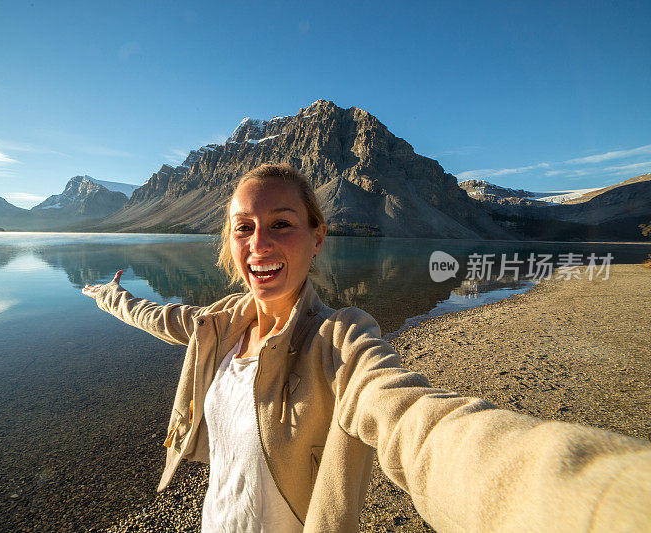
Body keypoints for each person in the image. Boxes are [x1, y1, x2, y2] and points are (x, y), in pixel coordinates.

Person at [82, 163, 651, 532]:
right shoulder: (222, 323)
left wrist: (584, 497)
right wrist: (107, 295)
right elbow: (158, 316)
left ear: (317, 236)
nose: (260, 243)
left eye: (282, 224)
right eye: (243, 227)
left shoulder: (339, 339)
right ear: (230, 242)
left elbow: (412, 419)